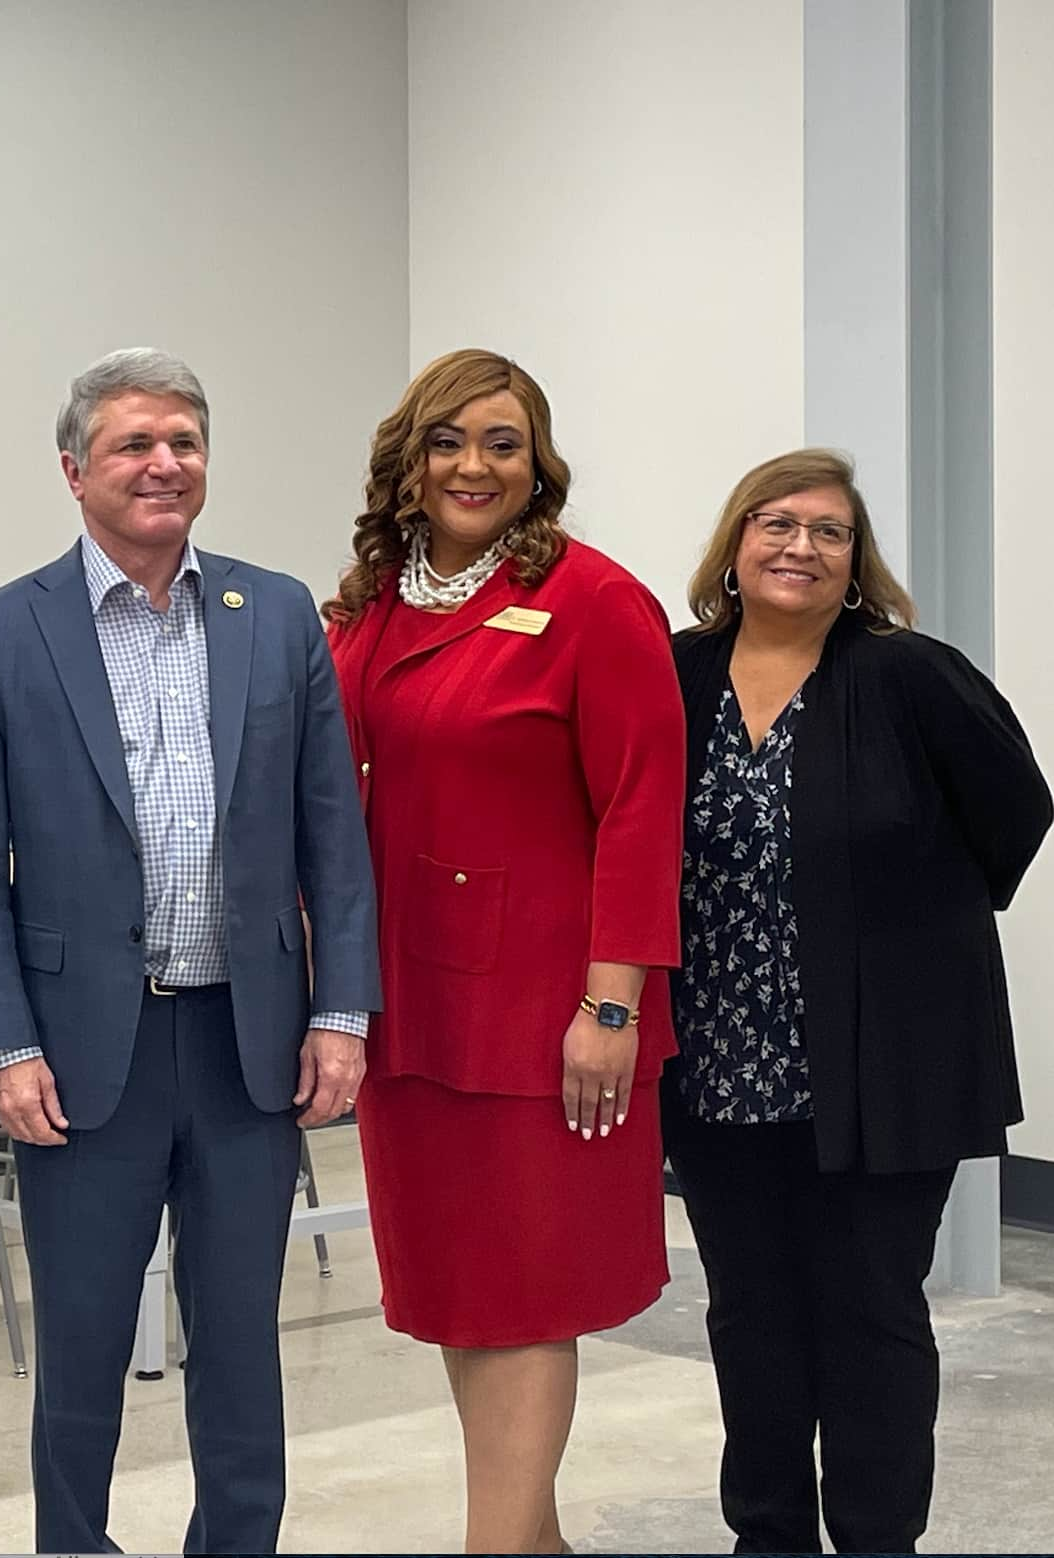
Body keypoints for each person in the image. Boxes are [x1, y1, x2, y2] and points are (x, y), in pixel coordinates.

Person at [0, 348, 379, 1555]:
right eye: (134, 443)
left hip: (246, 1044)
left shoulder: (273, 610)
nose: (162, 463)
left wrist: (341, 1011)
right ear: (74, 468)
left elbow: (332, 831)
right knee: (78, 1343)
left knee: (240, 1337)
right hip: (82, 1055)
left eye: (183, 440)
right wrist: (3, 1041)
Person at [323, 348, 684, 1554]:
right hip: (406, 1005)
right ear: (406, 462)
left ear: (537, 466)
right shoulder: (373, 602)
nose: (471, 464)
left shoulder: (591, 598)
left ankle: (497, 1546)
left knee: (528, 1291)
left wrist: (612, 1007)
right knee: (464, 1292)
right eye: (447, 441)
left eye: (501, 443)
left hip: (544, 1011)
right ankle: (527, 1540)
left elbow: (641, 807)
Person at [665, 449, 1050, 1555]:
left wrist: (895, 923)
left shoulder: (906, 673)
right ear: (734, 546)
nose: (798, 546)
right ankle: (767, 1534)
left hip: (885, 1063)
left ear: (854, 558)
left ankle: (878, 1540)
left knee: (870, 1313)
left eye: (826, 531)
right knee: (746, 1313)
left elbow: (1014, 811)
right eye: (774, 524)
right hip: (717, 1063)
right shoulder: (674, 673)